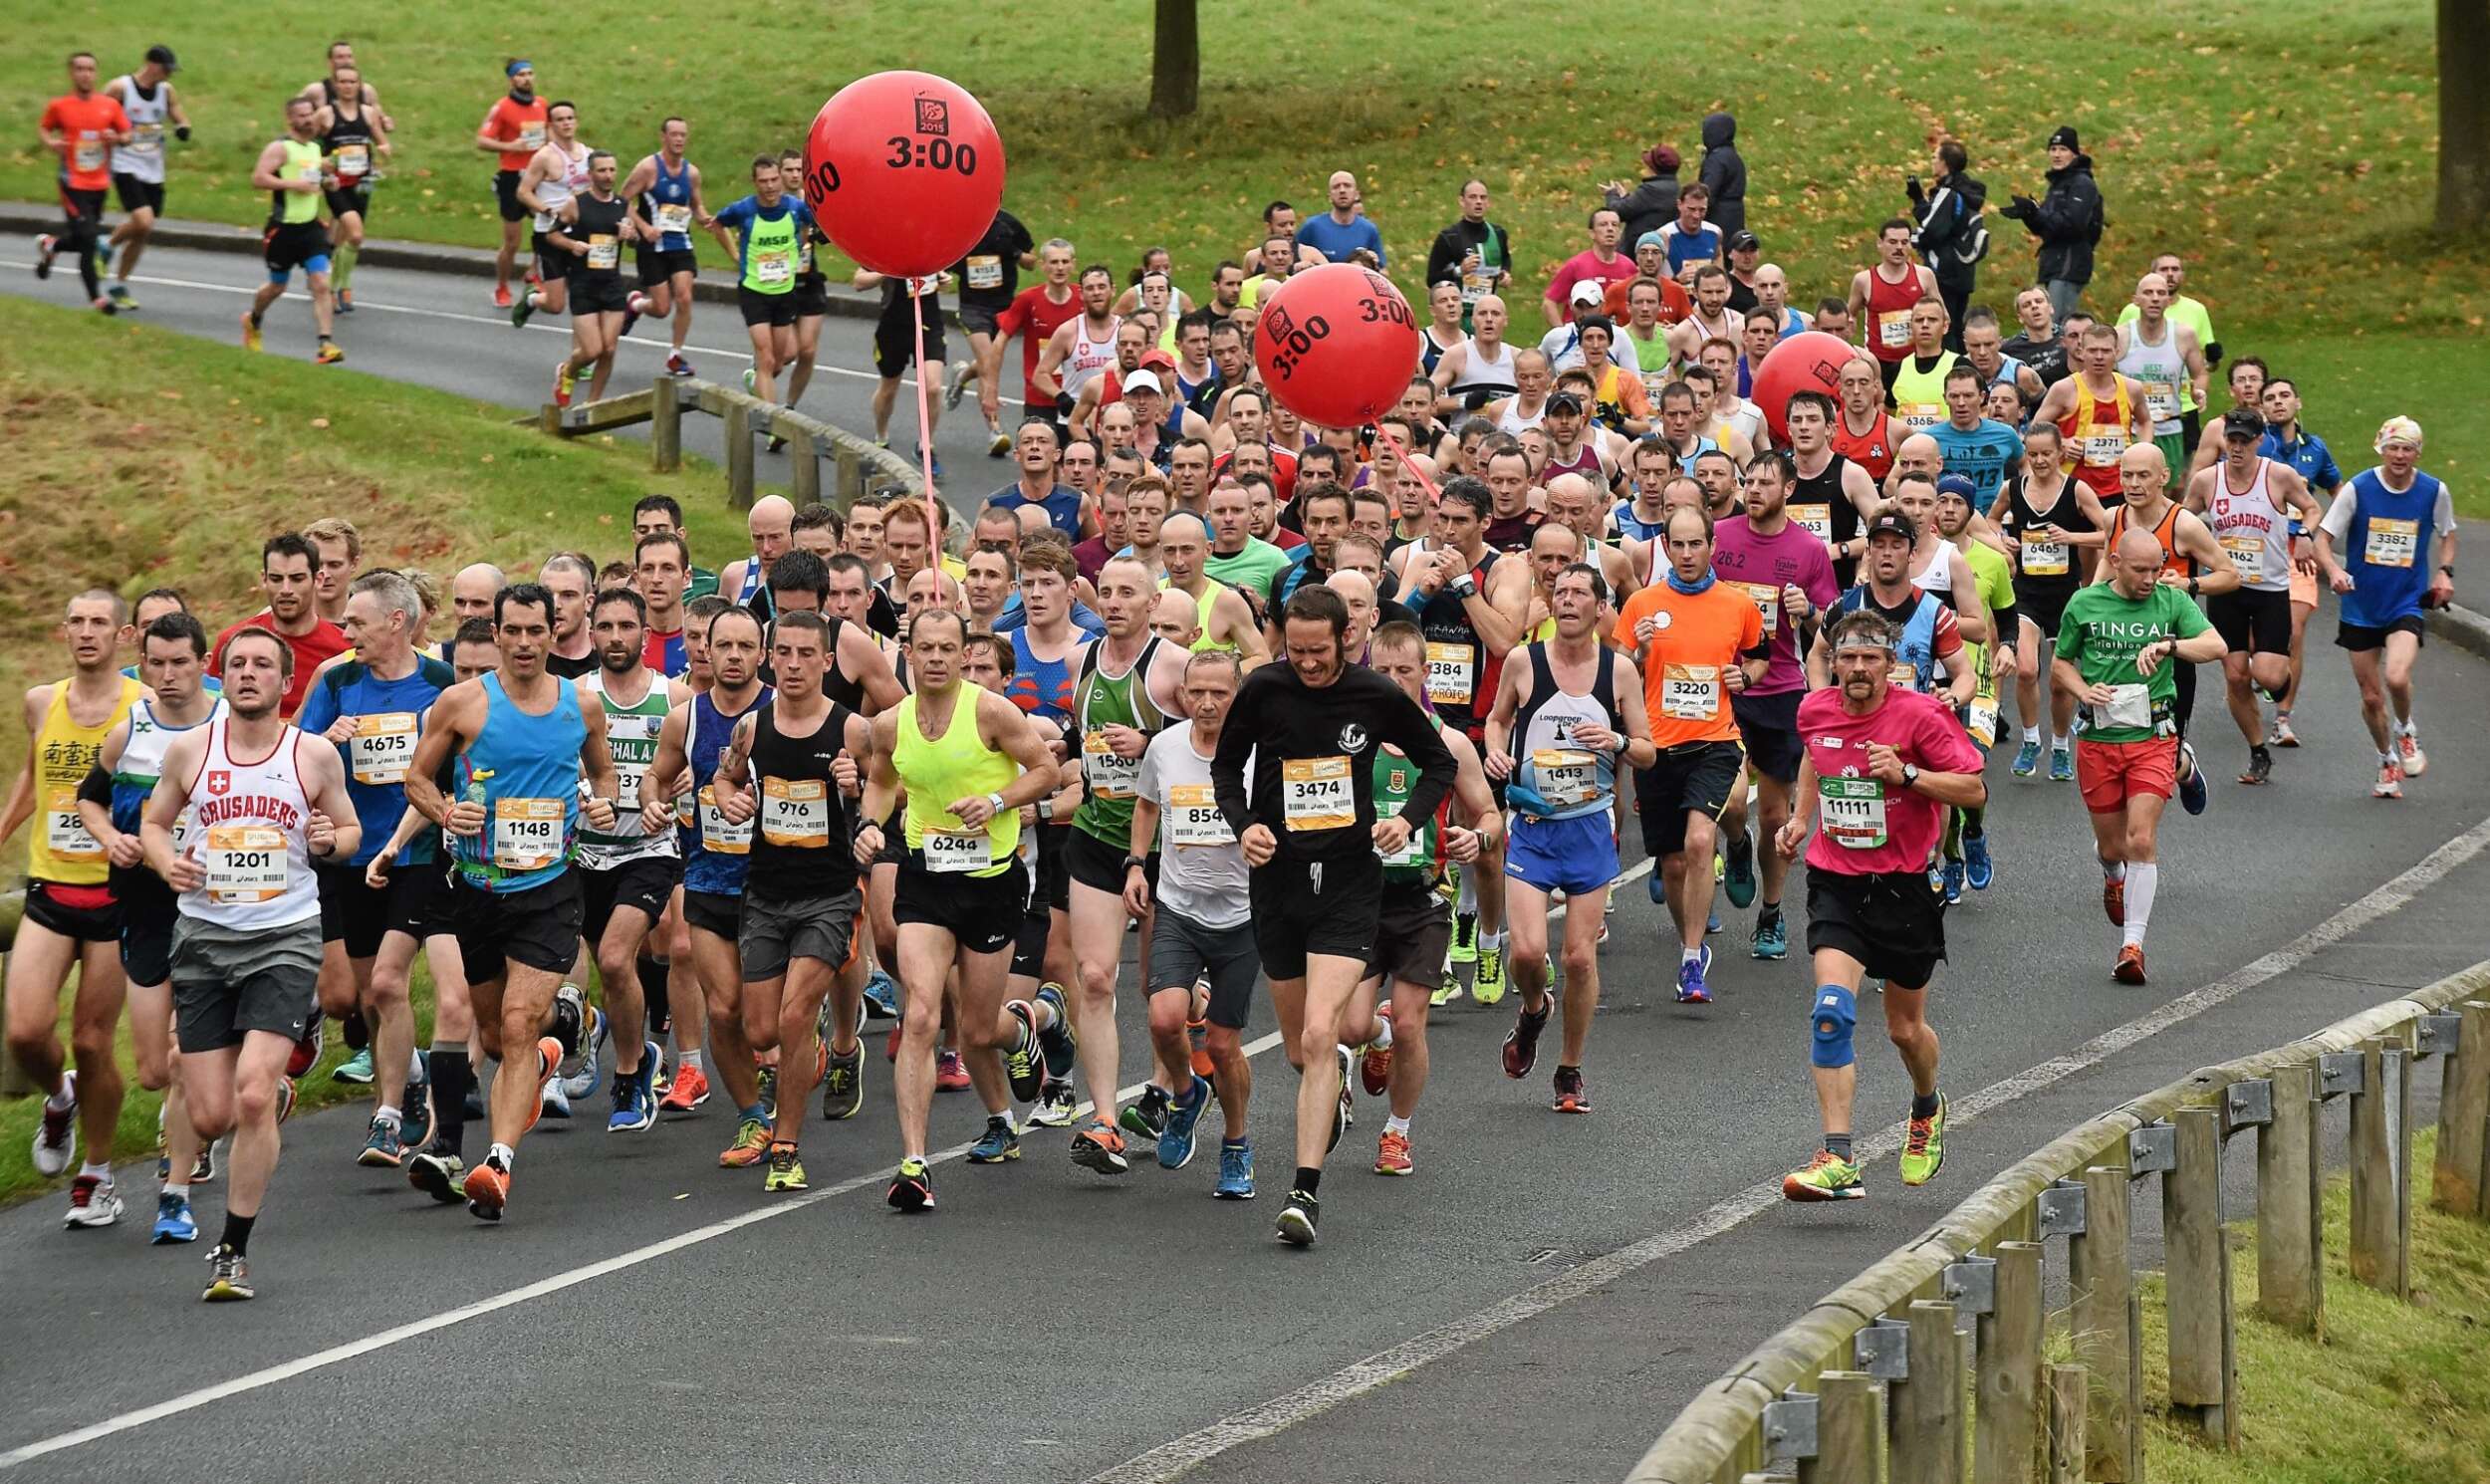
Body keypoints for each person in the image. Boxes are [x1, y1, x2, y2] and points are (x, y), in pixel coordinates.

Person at [1212, 586, 1454, 1246]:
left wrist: (1404, 820)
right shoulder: (1264, 689)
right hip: (1279, 883)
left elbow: (1439, 763)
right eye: (1297, 651)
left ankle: (1303, 1193)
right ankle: (1333, 1091)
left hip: (1349, 884)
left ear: (1348, 638)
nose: (1309, 664)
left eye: (1320, 652)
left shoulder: (1375, 695)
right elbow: (1226, 768)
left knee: (1322, 1035)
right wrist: (1244, 827)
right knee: (1298, 1050)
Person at [140, 626, 360, 1298]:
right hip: (205, 939)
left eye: (263, 664)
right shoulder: (190, 751)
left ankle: (232, 1249)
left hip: (283, 938)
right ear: (222, 676)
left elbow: (348, 832)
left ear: (285, 681)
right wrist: (165, 861)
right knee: (210, 1116)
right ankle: (262, 1097)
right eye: (237, 664)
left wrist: (329, 840)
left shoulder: (313, 756)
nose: (248, 673)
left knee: (252, 1095)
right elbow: (154, 823)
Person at [402, 584, 618, 1221]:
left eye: (536, 631)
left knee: (519, 1022)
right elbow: (416, 778)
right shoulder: (462, 703)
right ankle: (567, 1030)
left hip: (550, 889)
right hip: (477, 888)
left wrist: (601, 801)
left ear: (554, 633)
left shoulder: (581, 707)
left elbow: (601, 774)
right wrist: (447, 809)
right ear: (495, 633)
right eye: (513, 631)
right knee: (496, 1036)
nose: (525, 643)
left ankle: (496, 1163)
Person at [853, 609, 1063, 1213]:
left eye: (949, 648)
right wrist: (870, 825)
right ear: (910, 654)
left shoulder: (991, 712)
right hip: (926, 880)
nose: (939, 658)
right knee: (920, 1013)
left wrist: (997, 800)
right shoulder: (890, 724)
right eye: (928, 648)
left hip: (992, 881)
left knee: (976, 1029)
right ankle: (914, 1164)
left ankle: (1025, 1026)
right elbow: (882, 781)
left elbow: (1047, 770)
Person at [1775, 609, 1986, 1202]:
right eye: (1848, 658)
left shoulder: (1923, 716)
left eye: (1872, 659)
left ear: (1892, 665)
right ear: (1834, 662)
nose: (1859, 668)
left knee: (1903, 1028)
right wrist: (1798, 819)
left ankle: (1926, 1105)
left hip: (1904, 888)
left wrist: (1909, 773)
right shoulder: (1815, 710)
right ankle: (1838, 1158)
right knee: (1831, 1012)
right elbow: (1816, 756)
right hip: (1836, 882)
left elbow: (1974, 788)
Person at [703, 612, 874, 1191]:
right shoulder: (751, 729)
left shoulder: (851, 730)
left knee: (794, 1016)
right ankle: (811, 1050)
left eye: (808, 654)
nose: (795, 664)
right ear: (770, 660)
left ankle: (786, 1146)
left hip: (828, 895)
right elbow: (725, 780)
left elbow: (886, 785)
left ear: (828, 663)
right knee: (760, 1033)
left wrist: (859, 793)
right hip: (766, 894)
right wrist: (728, 799)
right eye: (786, 653)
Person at [294, 571, 455, 1168]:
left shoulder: (441, 682)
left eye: (357, 622)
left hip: (416, 853)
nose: (346, 631)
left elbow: (456, 765)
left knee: (388, 982)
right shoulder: (337, 680)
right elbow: (292, 757)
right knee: (365, 995)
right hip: (349, 851)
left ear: (397, 621)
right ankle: (410, 1075)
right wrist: (325, 740)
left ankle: (386, 1119)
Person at [74, 612, 226, 1240]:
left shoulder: (229, 723)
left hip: (217, 910)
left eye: (179, 664)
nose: (166, 676)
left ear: (202, 663)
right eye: (156, 664)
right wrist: (113, 837)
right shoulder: (128, 730)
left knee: (183, 1056)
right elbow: (88, 798)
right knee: (152, 1071)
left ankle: (174, 1192)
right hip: (145, 910)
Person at [1483, 565, 1648, 1110]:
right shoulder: (1522, 662)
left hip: (1589, 826)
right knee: (1528, 952)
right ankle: (1534, 1010)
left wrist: (1617, 740)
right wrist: (1495, 750)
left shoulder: (1619, 671)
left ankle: (1569, 1069)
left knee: (1579, 958)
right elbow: (1497, 719)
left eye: (1581, 593)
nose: (1569, 600)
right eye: (1560, 593)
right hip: (1532, 826)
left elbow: (1648, 750)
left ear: (1602, 608)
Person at [4, 591, 145, 1221]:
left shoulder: (143, 708)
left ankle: (98, 1173)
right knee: (26, 1032)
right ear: (64, 631)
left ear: (124, 635)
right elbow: (37, 778)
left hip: (116, 894)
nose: (87, 633)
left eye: (100, 623)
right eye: (77, 622)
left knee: (92, 1042)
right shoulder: (42, 702)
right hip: (51, 887)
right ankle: (57, 1099)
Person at [1058, 558, 1194, 1171]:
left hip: (1168, 845)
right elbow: (1077, 741)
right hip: (1095, 835)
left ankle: (1175, 1086)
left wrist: (1154, 738)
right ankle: (1106, 1118)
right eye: (1105, 592)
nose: (1113, 602)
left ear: (1151, 600)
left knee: (1159, 991)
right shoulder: (1079, 661)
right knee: (1094, 978)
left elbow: (1217, 732)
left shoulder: (1171, 664)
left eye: (1127, 594)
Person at [2053, 530, 2226, 983]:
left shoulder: (2170, 601)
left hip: (2154, 736)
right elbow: (2061, 662)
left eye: (2157, 568)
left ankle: (2132, 947)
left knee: (2141, 841)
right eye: (2140, 570)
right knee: (2114, 847)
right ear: (2116, 562)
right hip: (2100, 740)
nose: (2151, 578)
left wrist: (2170, 645)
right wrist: (2082, 689)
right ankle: (2112, 874)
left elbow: (2216, 646)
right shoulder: (2085, 604)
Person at [1614, 506, 1768, 1004]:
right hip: (1657, 748)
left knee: (1701, 840)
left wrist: (1745, 678)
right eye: (1676, 545)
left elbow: (1761, 654)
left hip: (1716, 742)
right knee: (1675, 863)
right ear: (1666, 546)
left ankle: (1689, 959)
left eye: (1695, 544)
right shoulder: (1641, 604)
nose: (1685, 554)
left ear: (1711, 545)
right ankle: (1690, 945)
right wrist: (1635, 654)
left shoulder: (1738, 604)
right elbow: (1618, 673)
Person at [1126, 651, 1257, 1192]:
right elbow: (1146, 806)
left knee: (1224, 1046)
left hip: (1244, 915)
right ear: (1183, 693)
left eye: (1219, 693)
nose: (1206, 703)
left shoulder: (1259, 753)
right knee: (1163, 1019)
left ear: (1237, 694)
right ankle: (1185, 1094)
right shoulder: (1165, 746)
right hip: (1178, 906)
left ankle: (1236, 1144)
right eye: (1196, 692)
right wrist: (1136, 865)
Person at [1711, 452, 1840, 957]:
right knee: (1729, 798)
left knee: (1773, 816)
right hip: (1724, 682)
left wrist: (1808, 611)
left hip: (1782, 687)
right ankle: (1736, 847)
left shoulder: (1808, 549)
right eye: (1750, 482)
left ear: (1789, 490)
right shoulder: (1720, 537)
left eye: (1766, 483)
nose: (1755, 490)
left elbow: (1831, 626)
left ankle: (1771, 912)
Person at [2314, 417, 2459, 800]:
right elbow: (2323, 539)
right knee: (2372, 697)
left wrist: (2444, 572)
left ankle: (2406, 730)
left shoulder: (2433, 491)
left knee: (2396, 678)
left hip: (2404, 602)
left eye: (2407, 448)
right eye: (2393, 447)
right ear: (2381, 449)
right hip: (2360, 604)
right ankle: (2385, 758)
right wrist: (2333, 570)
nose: (2399, 455)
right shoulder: (2359, 489)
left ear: (2417, 452)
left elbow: (2447, 534)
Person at [2100, 441, 2237, 810]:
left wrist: (2191, 584)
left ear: (2164, 478)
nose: (2133, 483)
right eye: (2126, 475)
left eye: (2143, 475)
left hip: (2172, 653)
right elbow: (2103, 573)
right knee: (2120, 746)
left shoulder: (2184, 524)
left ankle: (2185, 767)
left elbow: (2230, 575)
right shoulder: (2114, 518)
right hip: (2120, 649)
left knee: (2165, 758)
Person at [2188, 408, 2322, 786]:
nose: (2237, 447)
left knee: (2266, 673)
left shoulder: (2277, 476)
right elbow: (2182, 518)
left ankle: (2281, 682)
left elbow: (2312, 508)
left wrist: (2306, 536)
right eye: (2232, 440)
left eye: (2245, 440)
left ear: (2260, 441)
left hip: (2270, 590)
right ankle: (2258, 750)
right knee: (2234, 675)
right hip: (2227, 590)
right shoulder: (2207, 480)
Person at [1988, 422, 2098, 780]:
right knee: (2027, 669)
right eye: (2032, 454)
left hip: (2066, 595)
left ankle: (2062, 747)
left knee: (2059, 681)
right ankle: (2031, 740)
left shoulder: (2077, 490)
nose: (2038, 461)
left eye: (2045, 454)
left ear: (2060, 454)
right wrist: (2003, 541)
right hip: (2027, 594)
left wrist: (2071, 536)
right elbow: (1990, 520)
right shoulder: (2014, 488)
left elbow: (2110, 531)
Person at [2257, 376, 2345, 746]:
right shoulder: (2254, 443)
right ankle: (2260, 673)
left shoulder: (2316, 448)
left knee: (2293, 632)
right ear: (2262, 407)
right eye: (2270, 398)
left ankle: (2282, 719)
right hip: (2256, 553)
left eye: (2284, 396)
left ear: (2298, 403)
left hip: (2298, 552)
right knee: (2253, 646)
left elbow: (2339, 492)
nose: (2278, 402)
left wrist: (2323, 534)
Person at [706, 155, 818, 405]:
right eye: (764, 181)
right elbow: (717, 224)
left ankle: (754, 380)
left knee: (782, 358)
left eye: (774, 180)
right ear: (755, 182)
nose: (770, 186)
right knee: (765, 359)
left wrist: (797, 248)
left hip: (784, 291)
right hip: (754, 291)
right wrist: (735, 255)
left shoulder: (795, 208)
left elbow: (807, 228)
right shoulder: (743, 209)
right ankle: (772, 423)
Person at [241, 98, 343, 364]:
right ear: (290, 119)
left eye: (310, 114)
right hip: (282, 230)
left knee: (321, 284)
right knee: (276, 286)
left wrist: (329, 183)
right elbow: (258, 178)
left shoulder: (314, 149)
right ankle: (253, 320)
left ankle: (326, 344)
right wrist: (293, 185)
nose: (308, 120)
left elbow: (316, 181)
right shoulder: (280, 147)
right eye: (301, 116)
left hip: (310, 228)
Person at [212, 534, 352, 719]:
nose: (286, 589)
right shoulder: (232, 644)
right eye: (276, 579)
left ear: (318, 579)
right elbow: (209, 714)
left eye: (297, 578)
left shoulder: (344, 649)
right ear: (264, 579)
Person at [543, 149, 641, 407]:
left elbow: (634, 241)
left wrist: (630, 235)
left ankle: (592, 405)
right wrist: (572, 244)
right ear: (590, 174)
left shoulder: (623, 205)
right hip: (583, 285)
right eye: (602, 171)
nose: (608, 176)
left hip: (612, 284)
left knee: (609, 349)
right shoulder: (577, 204)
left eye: (611, 170)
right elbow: (552, 235)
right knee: (591, 351)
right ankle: (568, 371)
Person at [35, 53, 130, 316]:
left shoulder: (109, 105)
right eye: (79, 69)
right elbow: (44, 128)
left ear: (96, 74)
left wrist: (117, 137)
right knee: (89, 239)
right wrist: (51, 143)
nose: (85, 74)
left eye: (90, 69)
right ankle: (96, 299)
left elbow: (127, 134)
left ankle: (52, 245)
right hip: (72, 184)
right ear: (71, 73)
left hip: (99, 184)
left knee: (82, 238)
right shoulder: (60, 106)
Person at [100, 45, 189, 310]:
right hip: (125, 162)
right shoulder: (120, 88)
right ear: (151, 64)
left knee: (143, 231)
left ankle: (119, 283)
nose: (169, 75)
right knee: (143, 220)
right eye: (166, 69)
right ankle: (108, 243)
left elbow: (178, 113)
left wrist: (184, 127)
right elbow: (98, 117)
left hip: (153, 167)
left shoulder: (165, 91)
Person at [621, 117, 707, 377]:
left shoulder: (691, 173)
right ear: (663, 137)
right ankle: (636, 304)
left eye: (683, 135)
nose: (679, 139)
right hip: (652, 247)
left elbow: (696, 203)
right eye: (674, 134)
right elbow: (620, 200)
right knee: (661, 308)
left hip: (680, 242)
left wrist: (704, 216)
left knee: (685, 297)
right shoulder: (648, 169)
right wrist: (643, 227)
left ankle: (675, 355)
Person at [946, 207, 1037, 456]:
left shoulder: (1008, 223)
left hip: (1004, 305)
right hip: (972, 306)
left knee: (990, 362)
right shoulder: (958, 224)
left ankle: (964, 374)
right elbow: (943, 260)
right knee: (988, 362)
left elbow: (1031, 261)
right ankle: (995, 430)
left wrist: (1015, 254)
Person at [2033, 323, 2152, 503]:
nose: (2099, 357)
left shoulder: (2132, 388)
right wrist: (2062, 443)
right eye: (2092, 350)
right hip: (2073, 486)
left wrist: (2142, 451)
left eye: (2105, 351)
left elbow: (2145, 422)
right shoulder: (2064, 389)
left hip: (2122, 485)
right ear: (2081, 352)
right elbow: (2036, 429)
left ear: (2117, 352)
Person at [2000, 126, 2103, 323]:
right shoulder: (2058, 184)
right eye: (2053, 149)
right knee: (2052, 324)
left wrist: (2038, 212)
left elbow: (2074, 225)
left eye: (2063, 149)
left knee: (2057, 325)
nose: (2057, 154)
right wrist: (2029, 215)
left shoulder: (2082, 183)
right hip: (2053, 263)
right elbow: (2047, 229)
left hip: (2069, 263)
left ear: (2074, 153)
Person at [2113, 273, 2209, 482]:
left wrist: (2199, 391)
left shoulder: (2184, 335)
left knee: (2170, 490)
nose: (2155, 298)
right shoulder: (2120, 336)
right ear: (2135, 300)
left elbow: (2200, 373)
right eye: (2148, 293)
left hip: (2170, 427)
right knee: (2128, 490)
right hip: (2129, 431)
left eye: (2161, 293)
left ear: (2168, 300)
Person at [308, 65, 386, 314]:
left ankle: (342, 284)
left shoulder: (368, 113)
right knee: (355, 234)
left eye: (353, 82)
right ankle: (333, 287)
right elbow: (305, 145)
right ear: (335, 85)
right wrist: (320, 163)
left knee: (348, 239)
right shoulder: (325, 115)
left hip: (362, 183)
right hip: (336, 184)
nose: (348, 86)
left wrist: (385, 148)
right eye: (343, 82)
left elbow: (381, 140)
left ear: (359, 85)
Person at [507, 99, 590, 326]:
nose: (566, 123)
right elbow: (523, 192)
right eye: (560, 120)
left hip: (580, 234)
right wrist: (546, 209)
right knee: (555, 305)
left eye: (570, 118)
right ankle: (532, 299)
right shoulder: (544, 156)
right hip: (550, 235)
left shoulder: (589, 155)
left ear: (577, 122)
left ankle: (580, 356)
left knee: (584, 299)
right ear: (551, 125)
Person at [474, 60, 547, 308]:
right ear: (511, 80)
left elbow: (551, 134)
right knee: (513, 242)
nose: (526, 79)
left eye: (530, 74)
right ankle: (502, 287)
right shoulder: (502, 108)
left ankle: (533, 272)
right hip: (512, 177)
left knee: (548, 233)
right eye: (521, 75)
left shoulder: (542, 105)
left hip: (539, 176)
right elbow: (482, 141)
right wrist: (510, 146)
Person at [1425, 179, 1514, 336]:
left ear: (1488, 202)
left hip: (1487, 316)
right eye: (1473, 197)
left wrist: (1505, 274)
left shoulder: (1499, 234)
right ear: (1462, 201)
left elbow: (1505, 259)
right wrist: (1460, 270)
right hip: (1458, 316)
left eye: (1483, 197)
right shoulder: (1449, 237)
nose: (1478, 202)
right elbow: (1432, 279)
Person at [1543, 208, 1635, 328]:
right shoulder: (1576, 265)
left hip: (1615, 337)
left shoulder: (1629, 267)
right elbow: (1549, 302)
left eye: (1615, 225)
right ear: (1592, 233)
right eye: (1603, 224)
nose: (1610, 229)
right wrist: (1562, 334)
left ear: (1620, 232)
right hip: (1579, 336)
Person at [1297, 169, 1384, 264]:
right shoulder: (1312, 227)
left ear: (1356, 194)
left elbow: (1381, 270)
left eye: (1347, 186)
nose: (1342, 190)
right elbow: (1294, 262)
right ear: (1329, 196)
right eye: (1336, 187)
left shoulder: (1369, 229)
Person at [1605, 144, 1683, 247]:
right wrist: (1625, 197)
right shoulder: (1675, 187)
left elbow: (1618, 212)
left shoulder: (1651, 189)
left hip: (1640, 249)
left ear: (1654, 168)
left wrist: (1612, 194)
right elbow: (1641, 208)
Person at [1696, 111, 1746, 237]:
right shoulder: (1733, 156)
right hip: (1735, 216)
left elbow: (1708, 192)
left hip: (1718, 218)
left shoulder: (1716, 159)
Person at [1655, 185, 1721, 278]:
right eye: (1691, 209)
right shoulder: (1664, 235)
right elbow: (1654, 279)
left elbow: (1720, 271)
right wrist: (1677, 279)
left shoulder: (1715, 232)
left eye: (1702, 210)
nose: (1696, 215)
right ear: (1679, 205)